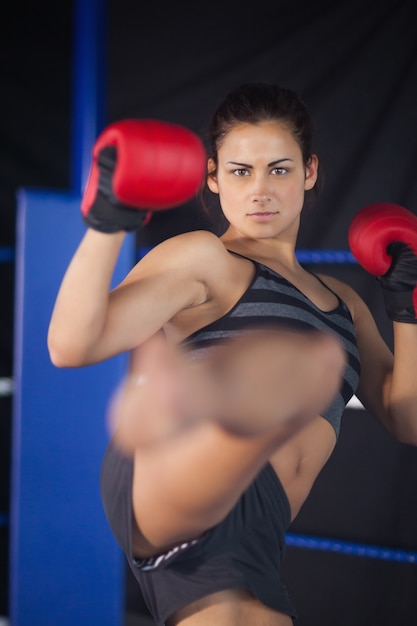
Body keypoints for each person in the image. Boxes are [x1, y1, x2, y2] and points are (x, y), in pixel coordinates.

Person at [47, 82, 417, 626]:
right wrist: (110, 219)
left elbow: (407, 419)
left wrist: (406, 305)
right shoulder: (205, 258)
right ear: (214, 179)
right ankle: (183, 416)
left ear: (310, 172)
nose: (260, 190)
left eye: (280, 169)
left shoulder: (347, 304)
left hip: (260, 527)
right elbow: (70, 346)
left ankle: (208, 408)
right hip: (192, 483)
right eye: (241, 172)